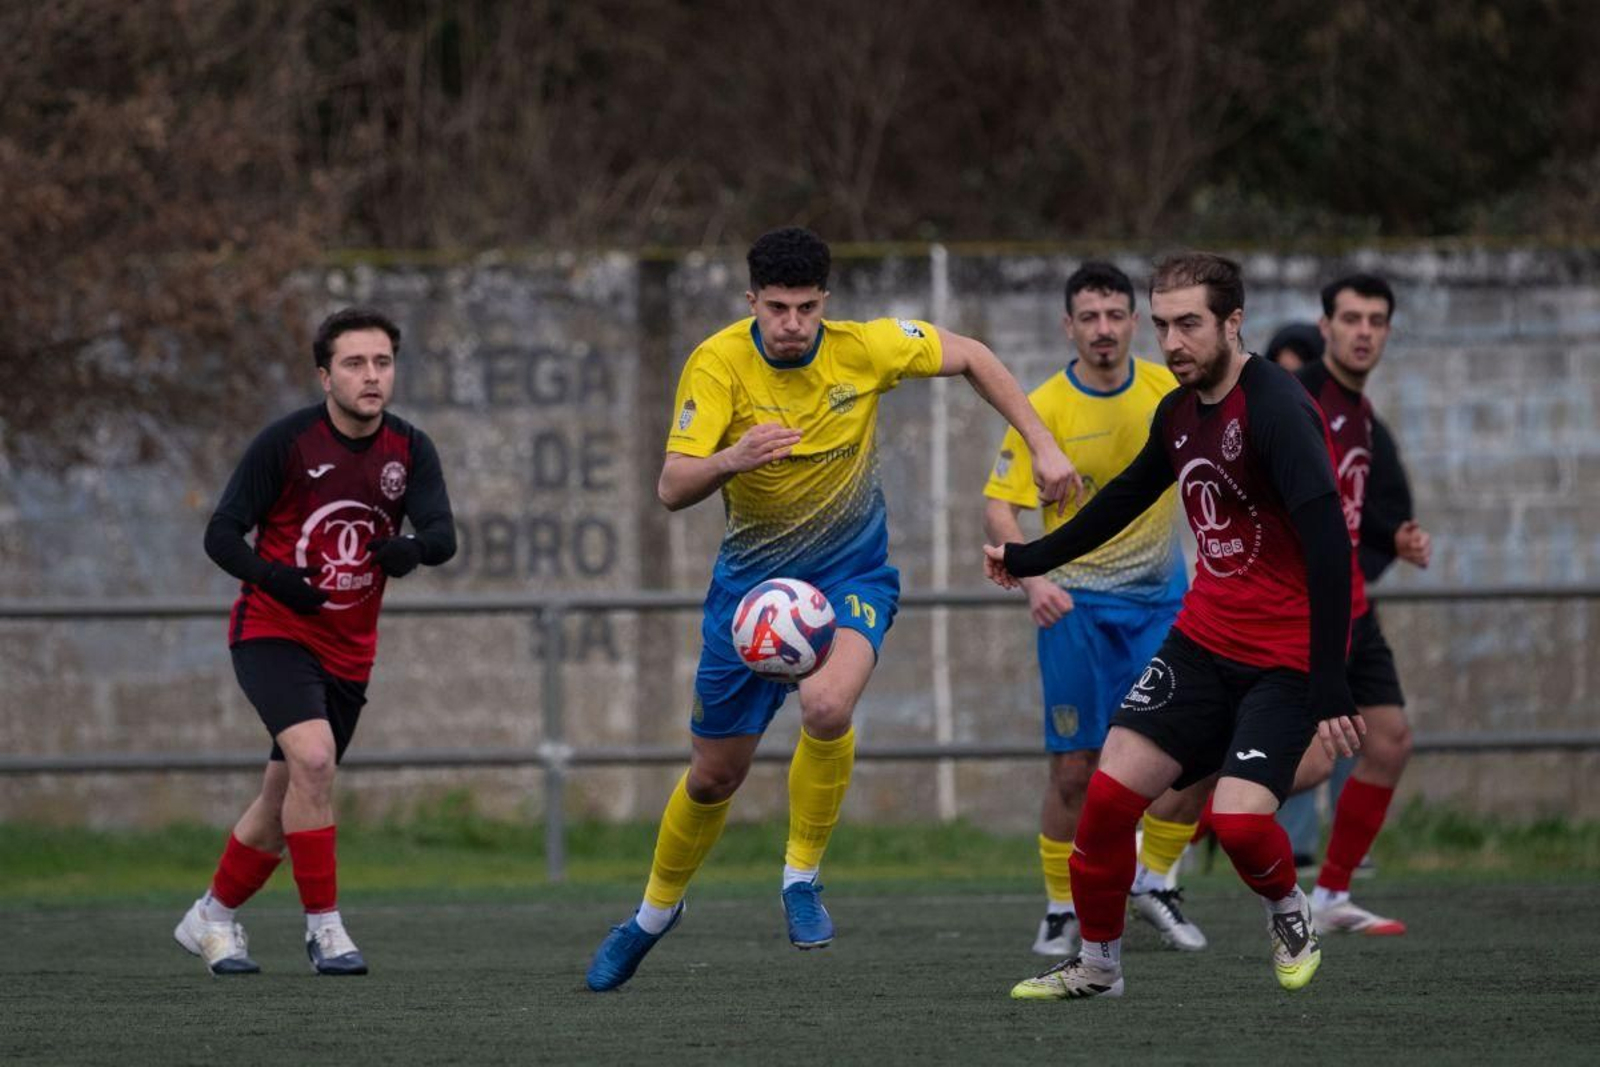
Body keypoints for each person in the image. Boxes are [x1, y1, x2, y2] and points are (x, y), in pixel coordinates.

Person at [586, 227, 1081, 992]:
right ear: (751, 301)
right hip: (750, 595)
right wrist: (730, 458)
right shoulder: (718, 364)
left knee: (826, 704)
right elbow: (671, 485)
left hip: (852, 573)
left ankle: (800, 878)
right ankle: (653, 914)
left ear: (826, 301)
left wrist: (1043, 445)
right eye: (777, 307)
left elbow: (974, 356)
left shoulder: (866, 348)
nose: (792, 323)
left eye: (806, 307)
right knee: (714, 776)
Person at [985, 252, 1363, 1000]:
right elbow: (1122, 499)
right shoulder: (1178, 411)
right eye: (1161, 324)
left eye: (1189, 323)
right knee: (1104, 801)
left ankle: (1288, 910)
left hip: (1284, 658)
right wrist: (1032, 554)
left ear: (1232, 322)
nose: (1173, 341)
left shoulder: (1277, 408)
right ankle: (1098, 965)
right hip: (1201, 642)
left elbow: (1327, 543)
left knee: (1244, 822)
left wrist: (1328, 681)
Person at [173, 307, 456, 976]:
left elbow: (443, 536)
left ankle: (210, 916)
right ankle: (325, 930)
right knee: (316, 758)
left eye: (382, 362)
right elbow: (221, 534)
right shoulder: (287, 444)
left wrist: (408, 550)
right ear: (324, 374)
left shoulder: (410, 448)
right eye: (355, 363)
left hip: (349, 650)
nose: (371, 376)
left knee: (287, 796)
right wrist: (276, 578)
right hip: (272, 629)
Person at [981, 261, 1205, 958]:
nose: (1103, 330)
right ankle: (1059, 907)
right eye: (1090, 317)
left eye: (1116, 316)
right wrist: (1035, 577)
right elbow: (1000, 505)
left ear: (1136, 323)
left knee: (1192, 755)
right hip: (1073, 608)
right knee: (1075, 767)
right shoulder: (1043, 405)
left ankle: (1154, 878)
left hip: (1161, 605)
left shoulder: (1172, 394)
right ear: (1068, 325)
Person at [1289, 274, 1431, 936]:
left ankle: (1331, 895)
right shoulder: (1300, 398)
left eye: (1376, 319)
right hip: (1304, 603)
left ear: (1388, 332)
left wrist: (1390, 536)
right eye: (1351, 318)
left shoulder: (1362, 413)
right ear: (1326, 327)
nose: (1364, 330)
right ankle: (1162, 841)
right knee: (1307, 758)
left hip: (1352, 600)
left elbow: (1345, 506)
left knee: (1391, 740)